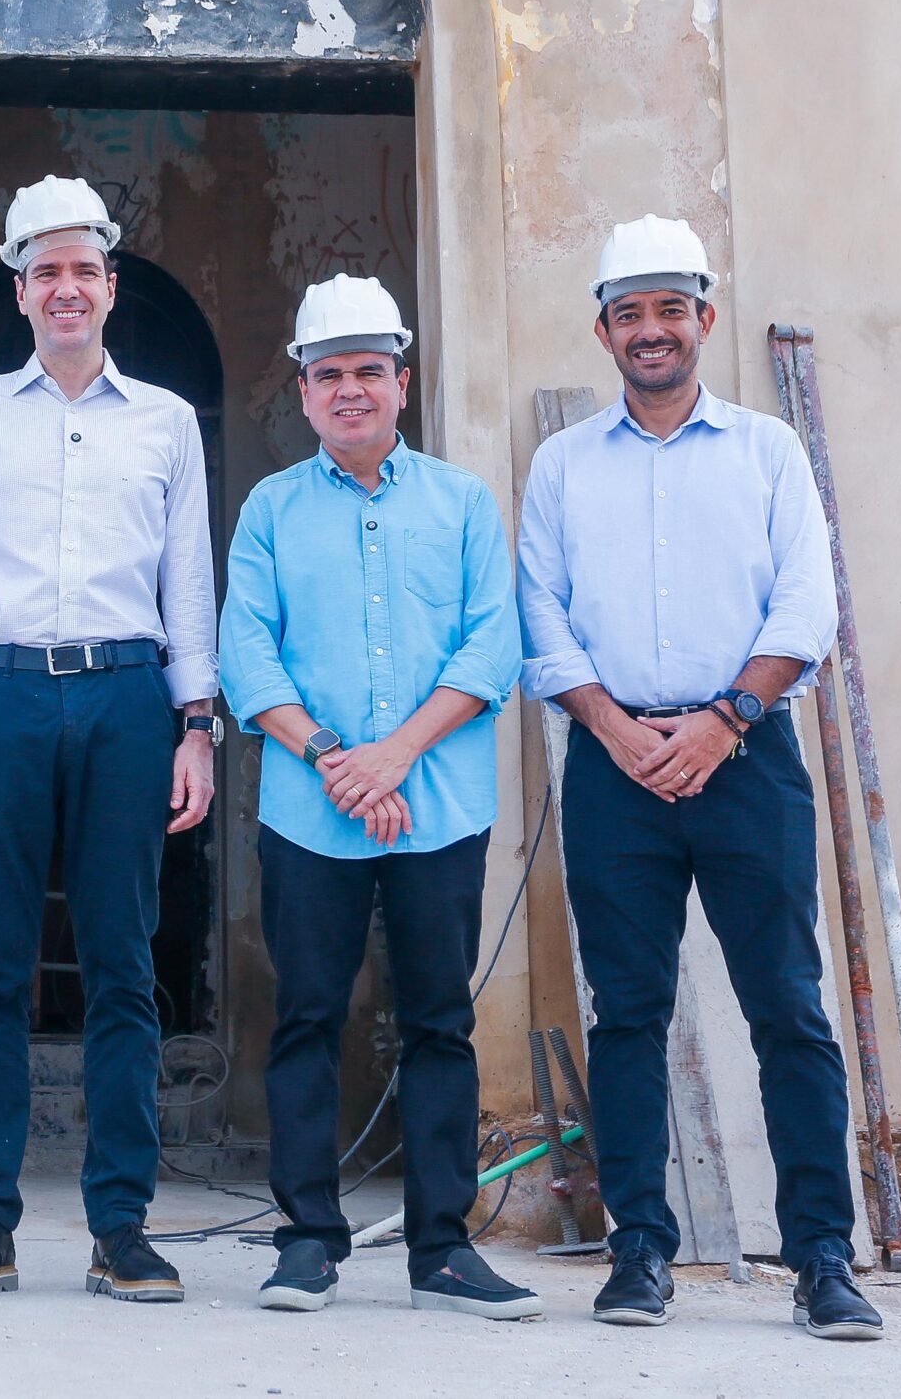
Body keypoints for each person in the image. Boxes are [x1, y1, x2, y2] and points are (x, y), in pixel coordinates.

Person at [516, 215, 883, 1340]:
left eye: (670, 309)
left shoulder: (768, 452)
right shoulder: (562, 464)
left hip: (747, 757)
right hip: (612, 762)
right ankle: (638, 1252)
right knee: (626, 1013)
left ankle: (822, 1257)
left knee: (787, 1006)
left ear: (703, 321)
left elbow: (805, 606)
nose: (651, 330)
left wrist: (724, 721)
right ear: (604, 330)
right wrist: (614, 729)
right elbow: (542, 610)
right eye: (629, 313)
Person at [0, 176, 220, 1305]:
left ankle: (120, 1227)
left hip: (128, 700)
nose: (67, 288)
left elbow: (188, 582)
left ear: (109, 286)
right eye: (47, 271)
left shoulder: (167, 422)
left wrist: (196, 726)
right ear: (19, 287)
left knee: (125, 969)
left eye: (85, 269)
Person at [218, 275, 537, 1319]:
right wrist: (336, 763)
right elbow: (245, 654)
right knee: (306, 1017)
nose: (348, 390)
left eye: (367, 371)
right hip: (311, 812)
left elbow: (494, 644)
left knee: (439, 1019)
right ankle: (307, 1238)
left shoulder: (460, 503)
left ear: (401, 383)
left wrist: (394, 756)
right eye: (328, 375)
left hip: (436, 806)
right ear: (302, 393)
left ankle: (441, 1246)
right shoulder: (271, 510)